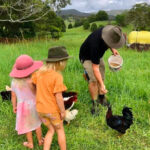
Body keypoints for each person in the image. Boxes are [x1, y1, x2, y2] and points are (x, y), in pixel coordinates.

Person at [79, 25, 126, 114]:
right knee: (93, 80)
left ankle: (101, 97)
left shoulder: (110, 31)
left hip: (97, 56)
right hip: (87, 57)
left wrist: (113, 48)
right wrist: (102, 85)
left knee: (102, 76)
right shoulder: (95, 44)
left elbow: (110, 40)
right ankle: (95, 104)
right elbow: (95, 68)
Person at [32, 46, 71, 150]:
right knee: (60, 130)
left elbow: (33, 85)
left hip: (40, 109)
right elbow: (58, 96)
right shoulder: (57, 76)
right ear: (60, 63)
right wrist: (63, 111)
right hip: (52, 110)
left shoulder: (38, 73)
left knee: (51, 130)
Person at [9, 55, 44, 149]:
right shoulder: (32, 80)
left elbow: (13, 95)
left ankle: (30, 143)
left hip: (22, 107)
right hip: (34, 105)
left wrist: (14, 106)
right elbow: (37, 93)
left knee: (27, 126)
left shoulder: (14, 82)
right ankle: (40, 140)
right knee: (37, 124)